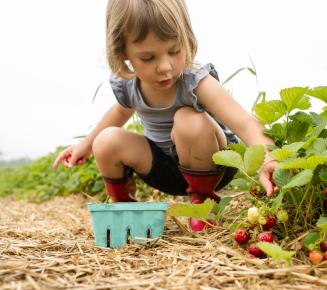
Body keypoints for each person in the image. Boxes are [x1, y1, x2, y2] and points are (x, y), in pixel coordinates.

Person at [53, 0, 277, 232]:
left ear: (187, 39)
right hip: (165, 170)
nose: (165, 67)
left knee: (188, 119)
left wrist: (268, 157)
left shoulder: (195, 80)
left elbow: (245, 124)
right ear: (123, 52)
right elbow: (118, 113)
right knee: (106, 140)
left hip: (214, 165)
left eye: (174, 51)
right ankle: (124, 207)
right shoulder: (129, 85)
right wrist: (85, 145)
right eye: (148, 58)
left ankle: (204, 203)